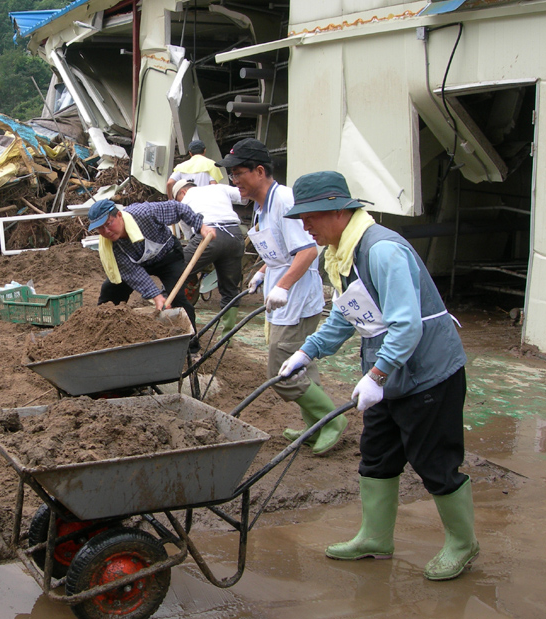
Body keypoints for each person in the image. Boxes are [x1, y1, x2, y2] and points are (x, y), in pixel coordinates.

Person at [278, 171, 477, 581]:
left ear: (337, 211)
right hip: (391, 377)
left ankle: (462, 543)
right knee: (377, 456)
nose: (304, 226)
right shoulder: (342, 253)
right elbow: (347, 312)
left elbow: (407, 327)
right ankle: (375, 538)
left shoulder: (382, 251)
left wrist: (377, 376)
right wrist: (307, 350)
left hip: (428, 376)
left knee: (434, 462)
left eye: (310, 217)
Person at [218, 139, 346, 454]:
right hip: (283, 289)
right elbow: (281, 249)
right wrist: (264, 272)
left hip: (297, 295)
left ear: (260, 171)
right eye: (232, 175)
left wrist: (283, 285)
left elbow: (307, 250)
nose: (235, 181)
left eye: (239, 174)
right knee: (299, 362)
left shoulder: (285, 201)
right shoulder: (262, 206)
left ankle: (333, 420)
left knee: (281, 368)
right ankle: (315, 425)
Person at [88, 199, 213, 352]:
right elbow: (132, 273)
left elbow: (177, 208)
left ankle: (191, 348)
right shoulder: (110, 246)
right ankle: (102, 336)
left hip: (168, 256)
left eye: (108, 224)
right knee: (110, 290)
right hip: (140, 264)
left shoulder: (144, 213)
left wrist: (200, 226)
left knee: (180, 299)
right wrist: (156, 295)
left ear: (119, 215)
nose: (106, 231)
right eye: (100, 228)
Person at [171, 179, 245, 334]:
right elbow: (244, 197)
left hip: (208, 235)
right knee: (230, 289)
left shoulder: (185, 201)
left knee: (176, 274)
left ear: (182, 192)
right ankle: (227, 336)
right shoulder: (218, 188)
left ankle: (170, 321)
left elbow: (191, 234)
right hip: (235, 235)